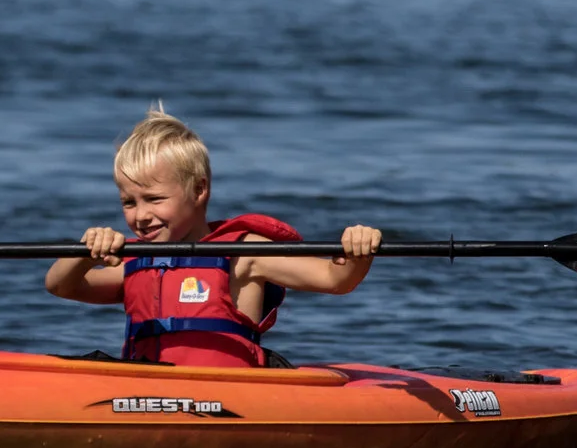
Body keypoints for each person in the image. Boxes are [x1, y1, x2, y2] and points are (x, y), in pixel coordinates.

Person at [44, 105, 383, 367]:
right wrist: (84, 253)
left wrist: (357, 251)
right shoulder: (135, 260)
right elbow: (61, 286)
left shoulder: (246, 254)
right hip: (145, 392)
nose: (141, 215)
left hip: (225, 392)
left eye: (155, 199)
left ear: (199, 190)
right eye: (128, 202)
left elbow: (335, 279)